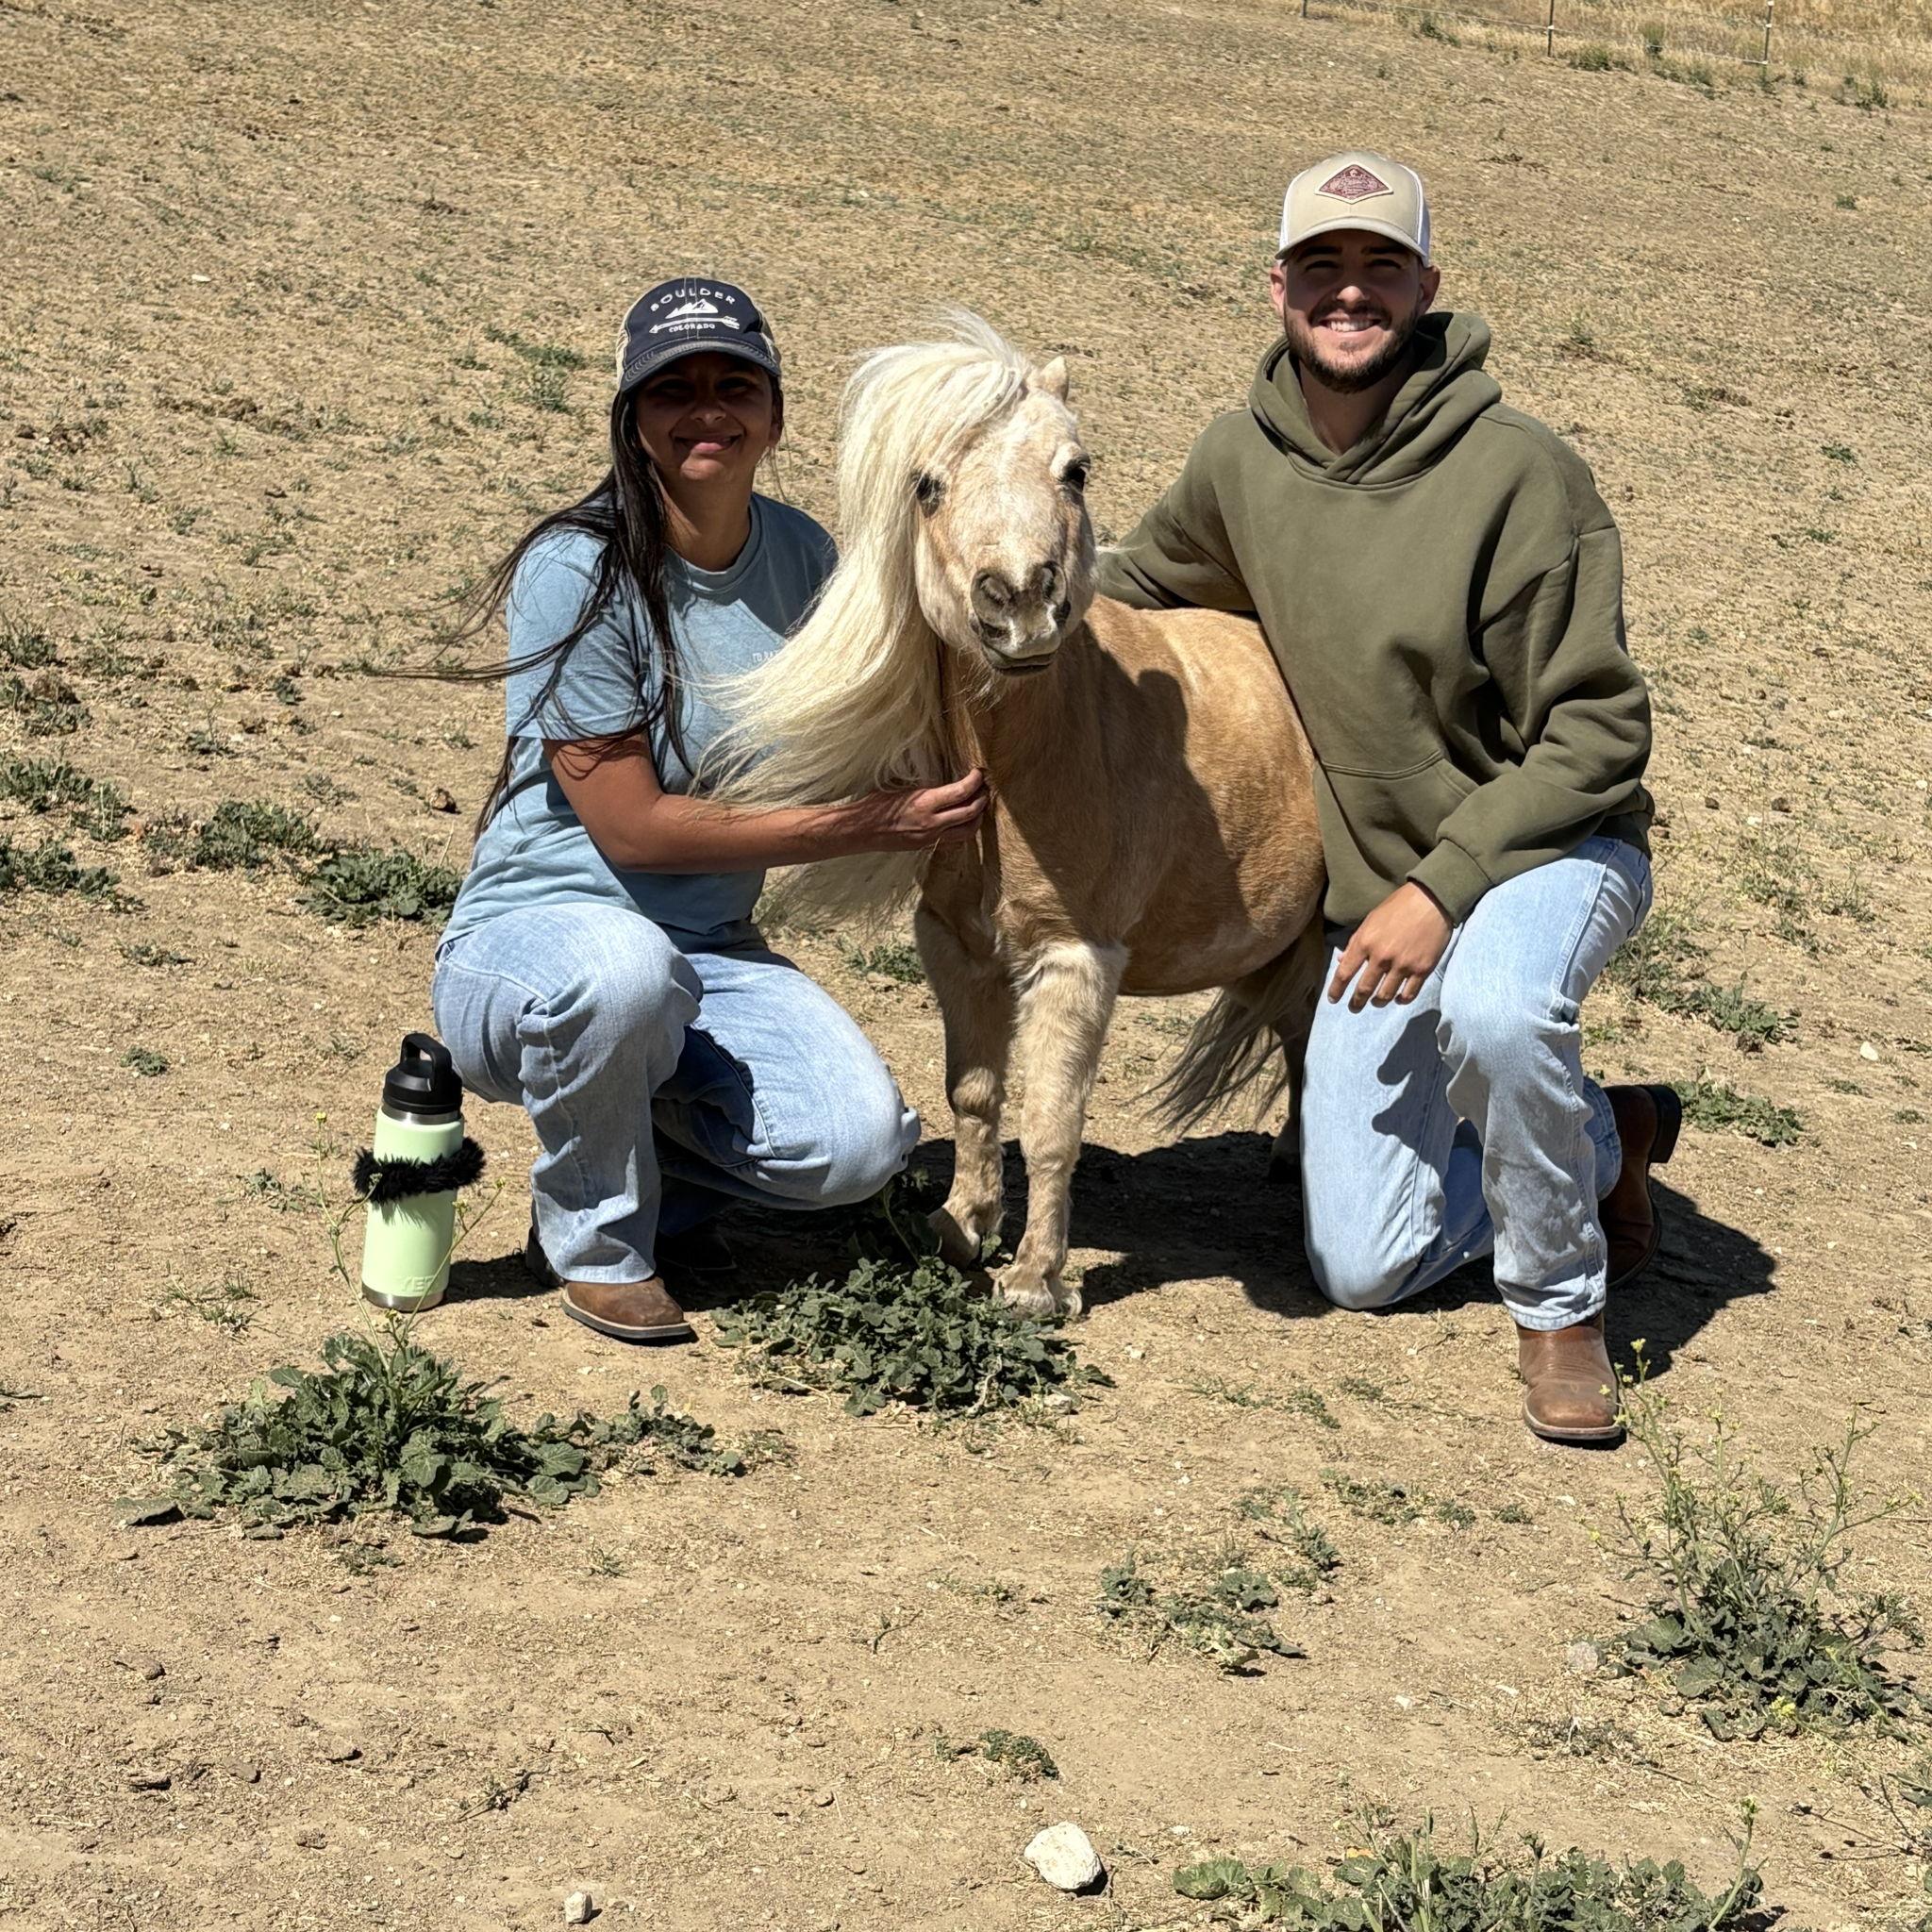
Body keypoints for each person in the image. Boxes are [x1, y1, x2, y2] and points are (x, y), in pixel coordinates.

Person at [1097, 154, 1677, 1444]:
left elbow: (1599, 731)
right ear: (1278, 286)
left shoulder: (1522, 473)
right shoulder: (1242, 458)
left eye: (1378, 267)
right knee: (1362, 1268)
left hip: (1546, 850)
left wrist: (1438, 888)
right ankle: (1600, 1141)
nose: (1348, 293)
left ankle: (1561, 1304)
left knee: (1498, 1009)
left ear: (1426, 284)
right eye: (1322, 267)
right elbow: (1136, 577)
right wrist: (987, 557)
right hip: (1385, 894)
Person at [432, 277, 988, 1344]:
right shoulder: (577, 567)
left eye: (734, 384)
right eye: (671, 388)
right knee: (621, 976)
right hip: (539, 937)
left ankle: (637, 1158)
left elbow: (857, 731)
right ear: (630, 416)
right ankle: (596, 1242)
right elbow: (633, 828)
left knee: (857, 1149)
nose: (705, 410)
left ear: (774, 416)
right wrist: (874, 826)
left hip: (711, 948)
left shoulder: (806, 561)